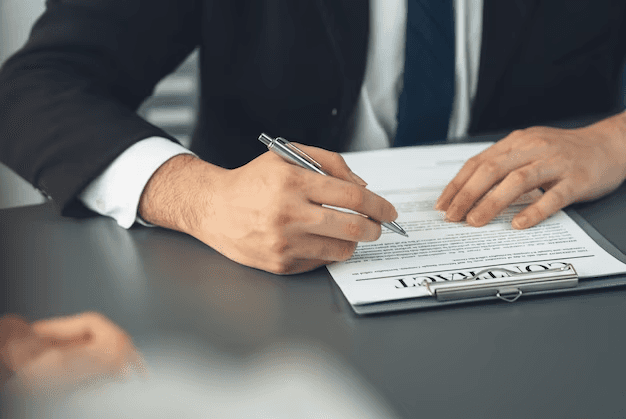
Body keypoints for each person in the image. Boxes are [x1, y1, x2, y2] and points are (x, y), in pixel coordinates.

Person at [1, 0, 625, 275]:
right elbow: (32, 89)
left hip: (559, 261)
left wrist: (615, 140)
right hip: (258, 282)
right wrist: (196, 194)